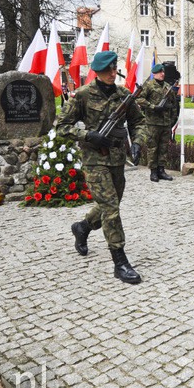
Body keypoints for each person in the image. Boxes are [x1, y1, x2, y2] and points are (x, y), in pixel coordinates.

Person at [57, 51, 145, 284]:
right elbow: (61, 127)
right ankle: (120, 261)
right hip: (94, 159)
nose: (112, 74)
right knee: (111, 209)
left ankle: (82, 227)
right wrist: (88, 135)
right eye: (107, 70)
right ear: (97, 71)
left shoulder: (124, 94)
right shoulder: (83, 95)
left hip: (116, 158)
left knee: (110, 204)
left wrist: (137, 142)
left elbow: (139, 121)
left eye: (114, 69)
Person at [136, 63, 179, 182]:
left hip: (165, 123)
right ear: (154, 74)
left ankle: (161, 170)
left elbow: (173, 104)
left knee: (163, 147)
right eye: (160, 72)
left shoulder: (167, 86)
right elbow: (139, 98)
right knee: (152, 147)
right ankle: (153, 172)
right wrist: (153, 107)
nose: (162, 74)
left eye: (163, 72)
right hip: (153, 123)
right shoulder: (149, 85)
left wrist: (172, 119)